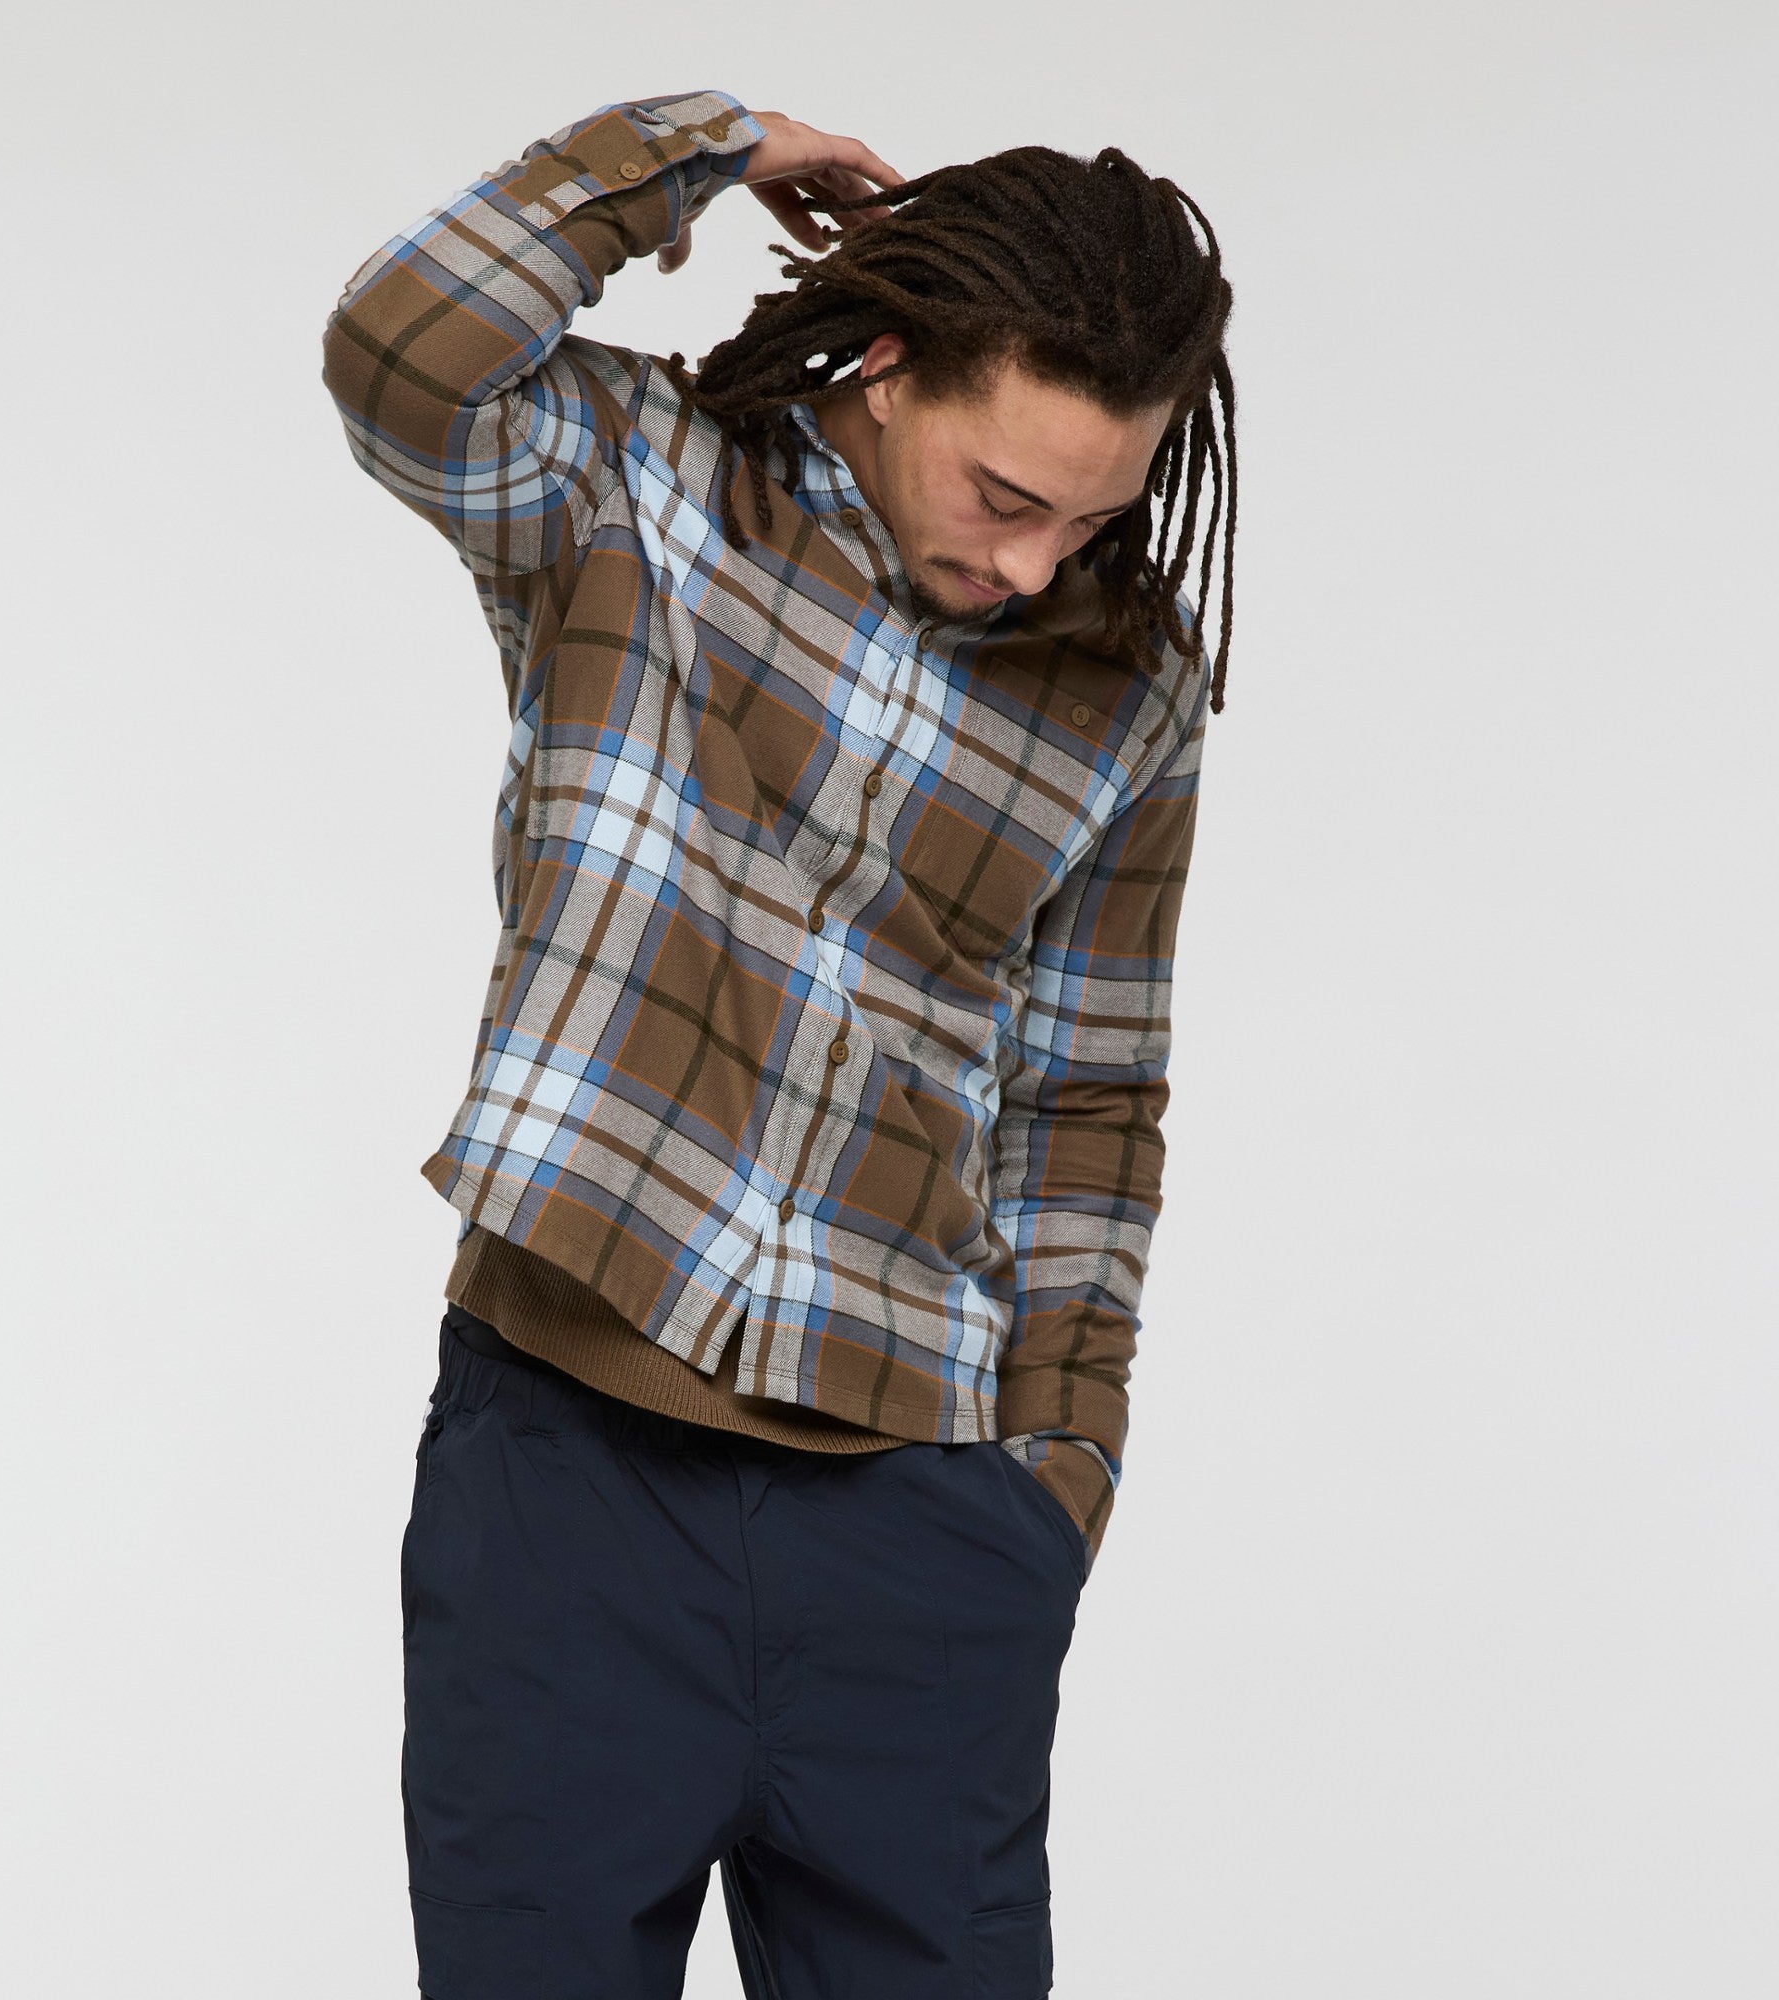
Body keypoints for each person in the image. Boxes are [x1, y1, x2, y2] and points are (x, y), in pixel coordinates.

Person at [322, 88, 1235, 2000]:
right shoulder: (630, 483)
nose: (1036, 565)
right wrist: (695, 151)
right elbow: (400, 349)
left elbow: (1089, 1093)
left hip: (925, 1529)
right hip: (568, 1488)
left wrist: (1054, 1485)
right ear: (889, 367)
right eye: (1006, 496)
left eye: (1093, 516)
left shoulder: (1126, 678)